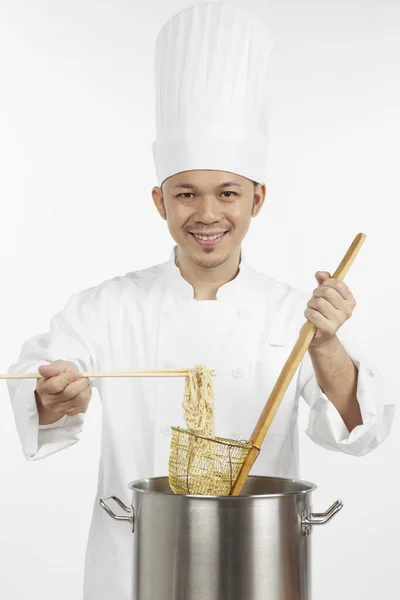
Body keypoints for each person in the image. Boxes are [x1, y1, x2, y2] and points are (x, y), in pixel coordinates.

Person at [7, 3, 395, 600]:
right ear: (160, 202)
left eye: (228, 193)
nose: (207, 214)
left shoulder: (297, 312)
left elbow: (358, 430)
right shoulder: (105, 307)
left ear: (257, 199)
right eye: (186, 193)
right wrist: (55, 391)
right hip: (133, 564)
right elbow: (42, 386)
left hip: (262, 568)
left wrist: (328, 344)